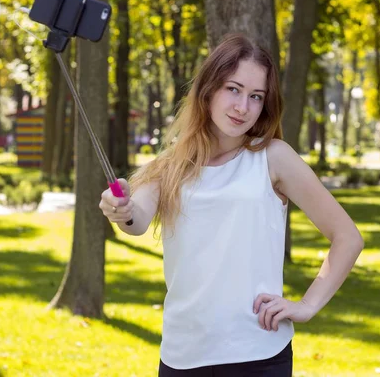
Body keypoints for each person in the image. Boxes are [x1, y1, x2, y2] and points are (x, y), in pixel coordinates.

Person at [99, 34, 364, 376]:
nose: (243, 107)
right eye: (233, 89)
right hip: (182, 356)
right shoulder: (169, 165)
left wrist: (308, 304)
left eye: (256, 97)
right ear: (208, 89)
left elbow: (347, 237)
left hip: (257, 354)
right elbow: (135, 220)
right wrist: (119, 207)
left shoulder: (273, 158)